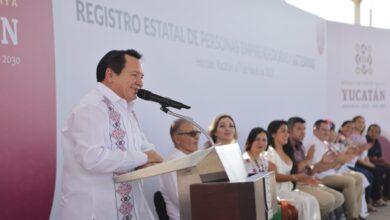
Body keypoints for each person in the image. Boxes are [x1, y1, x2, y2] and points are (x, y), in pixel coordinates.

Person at [60, 49, 163, 220]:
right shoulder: (91, 107)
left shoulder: (128, 111)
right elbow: (92, 157)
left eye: (142, 77)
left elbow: (149, 151)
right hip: (94, 212)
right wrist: (143, 158)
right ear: (110, 75)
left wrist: (147, 158)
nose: (140, 83)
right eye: (134, 75)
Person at [283, 117, 344, 218]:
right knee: (329, 200)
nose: (303, 132)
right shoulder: (286, 147)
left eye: (304, 129)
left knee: (339, 198)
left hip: (307, 180)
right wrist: (308, 159)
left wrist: (321, 162)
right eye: (299, 129)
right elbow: (294, 171)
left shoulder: (301, 146)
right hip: (295, 184)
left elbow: (310, 171)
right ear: (289, 130)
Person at [306, 120, 363, 220]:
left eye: (328, 130)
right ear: (315, 130)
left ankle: (356, 213)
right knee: (349, 181)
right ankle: (352, 216)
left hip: (332, 172)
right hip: (321, 176)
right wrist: (336, 163)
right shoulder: (313, 144)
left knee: (358, 177)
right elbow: (318, 169)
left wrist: (339, 161)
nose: (327, 133)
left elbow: (335, 162)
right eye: (324, 130)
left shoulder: (323, 143)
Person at [265, 120, 321, 220]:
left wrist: (305, 178)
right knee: (304, 203)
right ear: (273, 134)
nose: (287, 134)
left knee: (312, 200)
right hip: (278, 192)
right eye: (283, 131)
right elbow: (274, 176)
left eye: (287, 132)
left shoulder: (287, 151)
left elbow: (294, 173)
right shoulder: (269, 152)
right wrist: (296, 177)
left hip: (289, 189)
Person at [159, 119, 200, 220]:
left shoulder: (194, 160)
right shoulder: (171, 165)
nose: (197, 137)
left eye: (198, 133)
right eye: (192, 133)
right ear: (177, 139)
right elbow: (184, 203)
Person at [366, 124, 390, 204]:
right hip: (364, 163)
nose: (374, 133)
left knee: (388, 169)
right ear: (367, 132)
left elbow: (379, 157)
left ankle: (386, 195)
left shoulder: (377, 142)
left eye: (376, 132)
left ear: (379, 134)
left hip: (374, 163)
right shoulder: (364, 140)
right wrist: (373, 159)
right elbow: (361, 156)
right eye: (372, 131)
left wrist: (385, 163)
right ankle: (376, 197)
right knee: (378, 170)